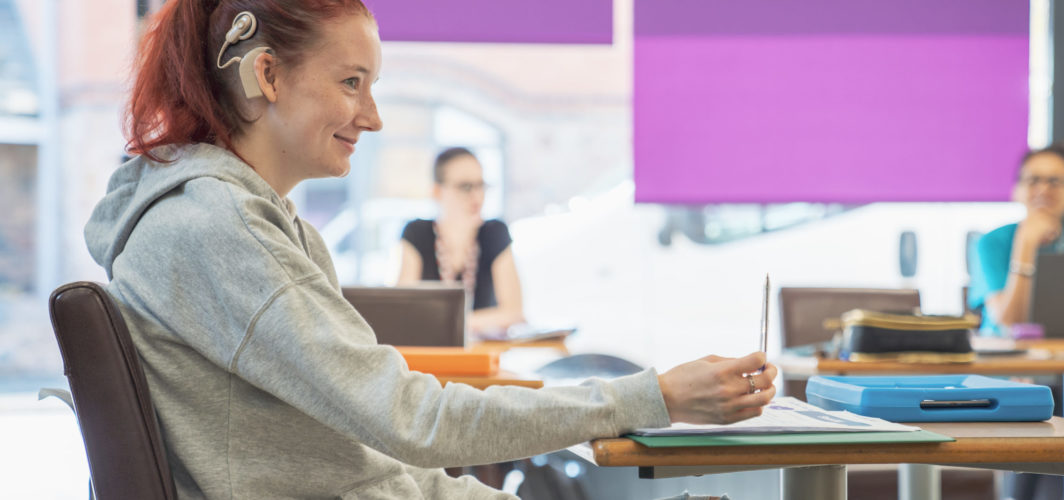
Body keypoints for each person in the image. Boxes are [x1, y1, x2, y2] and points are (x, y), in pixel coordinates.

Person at [85, 1, 777, 498]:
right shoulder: (222, 232)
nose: (374, 116)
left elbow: (364, 454)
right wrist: (650, 396)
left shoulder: (233, 221)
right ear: (266, 76)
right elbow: (412, 422)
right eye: (351, 82)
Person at [968, 143, 1064, 336]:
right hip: (1004, 360)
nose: (1043, 189)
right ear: (1017, 190)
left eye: (1055, 181)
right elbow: (1010, 322)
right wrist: (1026, 243)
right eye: (1033, 180)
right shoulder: (992, 242)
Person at [397, 148, 523, 335]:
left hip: (481, 354)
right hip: (430, 352)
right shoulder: (417, 233)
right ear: (437, 191)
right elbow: (402, 308)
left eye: (481, 185)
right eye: (465, 186)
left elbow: (514, 313)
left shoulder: (495, 233)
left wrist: (450, 322)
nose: (477, 196)